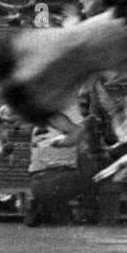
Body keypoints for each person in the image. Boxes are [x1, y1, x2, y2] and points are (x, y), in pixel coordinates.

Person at [25, 97, 96, 227]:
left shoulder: (39, 125)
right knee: (92, 166)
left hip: (36, 181)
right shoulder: (72, 123)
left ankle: (42, 206)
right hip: (63, 180)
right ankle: (85, 210)